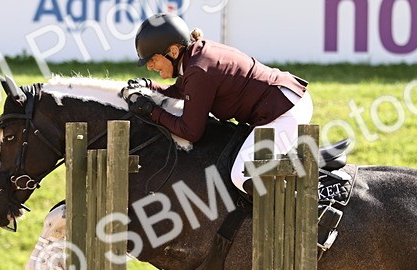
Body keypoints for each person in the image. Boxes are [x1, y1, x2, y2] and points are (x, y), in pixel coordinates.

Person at [122, 13, 312, 193]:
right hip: (282, 102)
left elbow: (190, 131)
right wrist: (149, 86)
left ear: (173, 51)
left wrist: (152, 111)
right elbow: (182, 91)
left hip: (284, 111)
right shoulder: (196, 56)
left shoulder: (198, 69)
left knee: (241, 175)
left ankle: (306, 205)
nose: (150, 66)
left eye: (152, 59)